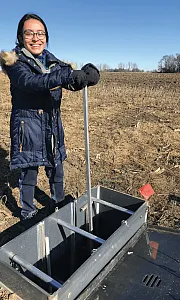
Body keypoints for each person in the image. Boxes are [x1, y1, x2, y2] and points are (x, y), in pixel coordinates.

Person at [0, 13, 100, 220]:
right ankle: (28, 212)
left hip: (52, 126)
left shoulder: (53, 61)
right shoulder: (15, 63)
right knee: (29, 175)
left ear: (46, 37)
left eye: (40, 33)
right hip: (27, 128)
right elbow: (32, 83)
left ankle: (58, 202)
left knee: (57, 170)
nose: (36, 38)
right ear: (20, 37)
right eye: (29, 33)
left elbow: (71, 79)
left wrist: (88, 74)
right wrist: (67, 75)